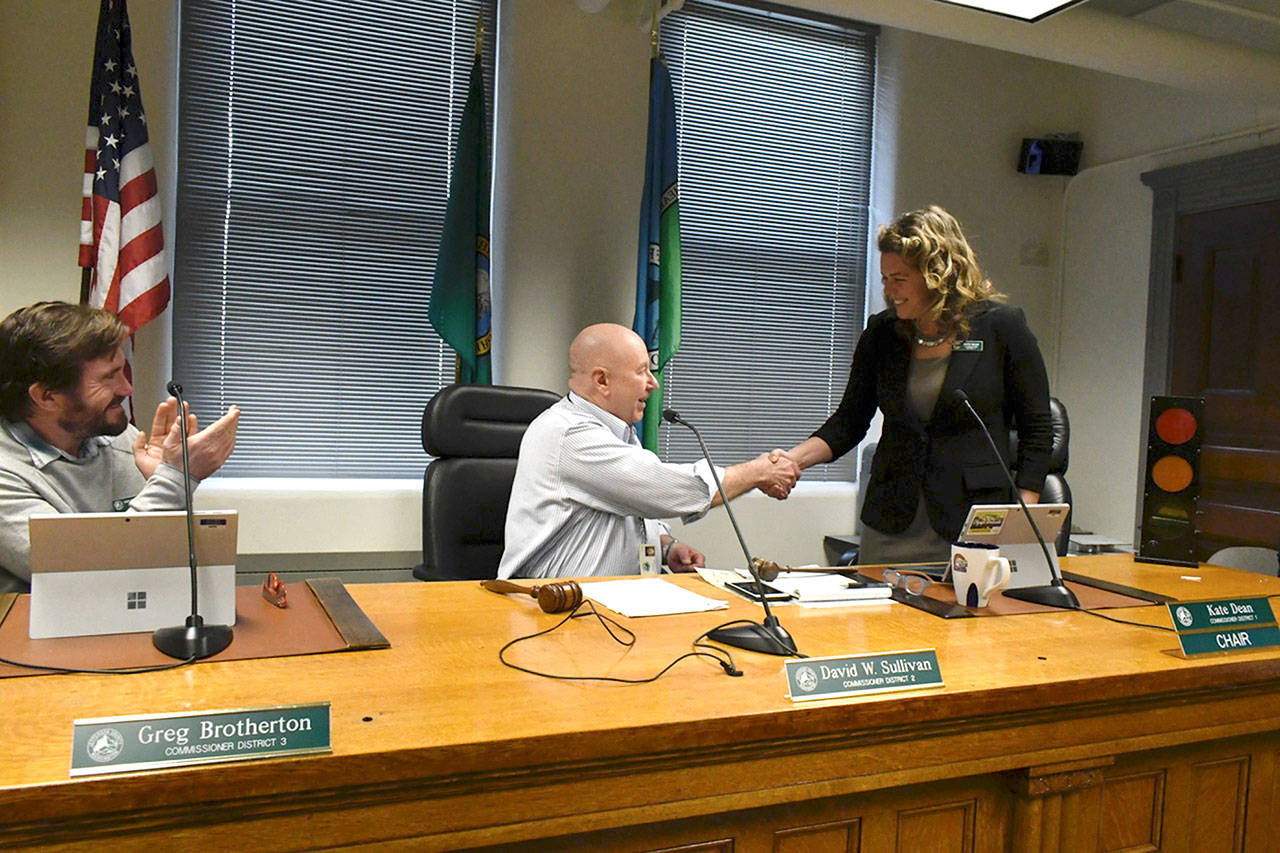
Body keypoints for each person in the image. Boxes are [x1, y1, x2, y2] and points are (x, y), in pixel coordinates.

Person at [772, 206, 1053, 564]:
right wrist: (790, 461)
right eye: (885, 278)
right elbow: (849, 422)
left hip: (971, 522)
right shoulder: (882, 332)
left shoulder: (1002, 328)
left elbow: (1037, 429)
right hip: (892, 520)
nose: (889, 290)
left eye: (899, 278)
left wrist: (1021, 519)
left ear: (937, 274)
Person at [498, 323, 801, 579]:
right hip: (550, 613)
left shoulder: (617, 429)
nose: (653, 383)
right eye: (642, 371)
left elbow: (631, 503)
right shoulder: (571, 435)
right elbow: (669, 490)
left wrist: (666, 546)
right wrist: (760, 471)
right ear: (602, 380)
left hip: (613, 607)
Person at [0, 301, 240, 592]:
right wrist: (174, 480)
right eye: (108, 377)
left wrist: (160, 479)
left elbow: (160, 558)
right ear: (47, 397)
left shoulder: (117, 436)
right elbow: (78, 576)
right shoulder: (6, 471)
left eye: (121, 371)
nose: (127, 389)